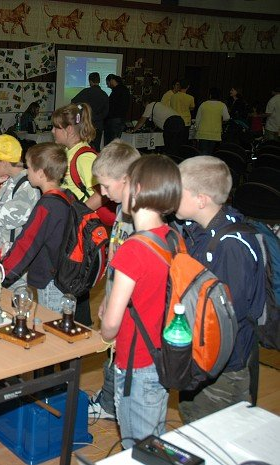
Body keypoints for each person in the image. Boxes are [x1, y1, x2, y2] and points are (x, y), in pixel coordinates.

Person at [100, 154, 182, 449]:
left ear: (135, 190)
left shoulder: (133, 249)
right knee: (153, 438)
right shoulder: (172, 237)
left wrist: (104, 332)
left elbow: (111, 323)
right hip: (162, 354)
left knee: (136, 446)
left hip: (136, 361)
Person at [175, 156, 265, 423]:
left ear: (201, 200)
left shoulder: (231, 247)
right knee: (193, 421)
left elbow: (228, 316)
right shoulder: (198, 232)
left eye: (179, 192)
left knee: (215, 433)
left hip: (226, 366)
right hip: (203, 357)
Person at [87, 140, 141, 421]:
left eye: (106, 187)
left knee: (122, 353)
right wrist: (108, 294)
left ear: (126, 179)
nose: (103, 194)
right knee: (112, 350)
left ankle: (114, 404)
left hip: (132, 303)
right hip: (116, 290)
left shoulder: (141, 215)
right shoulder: (122, 207)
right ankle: (109, 401)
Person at [51, 103, 106, 325]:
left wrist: (78, 215)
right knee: (71, 281)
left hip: (81, 232)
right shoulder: (69, 153)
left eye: (56, 127)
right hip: (71, 230)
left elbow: (103, 193)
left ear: (69, 130)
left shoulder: (84, 157)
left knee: (77, 281)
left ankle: (80, 328)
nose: (53, 131)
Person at [0, 143, 70, 309]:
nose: (26, 170)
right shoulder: (66, 196)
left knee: (52, 325)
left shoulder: (46, 206)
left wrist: (3, 274)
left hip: (52, 281)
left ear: (40, 173)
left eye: (29, 167)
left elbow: (27, 243)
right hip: (63, 275)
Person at [0, 135, 40, 269]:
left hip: (14, 262)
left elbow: (6, 220)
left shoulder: (27, 186)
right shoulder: (7, 180)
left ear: (3, 163)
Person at [71, 72, 109, 150]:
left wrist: (82, 111)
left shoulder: (86, 92)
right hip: (98, 125)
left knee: (85, 147)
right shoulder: (104, 94)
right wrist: (96, 117)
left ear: (90, 81)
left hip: (86, 124)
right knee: (96, 148)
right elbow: (106, 112)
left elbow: (73, 103)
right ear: (99, 81)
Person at [194, 88, 230, 154]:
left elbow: (197, 119)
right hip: (215, 134)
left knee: (202, 153)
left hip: (202, 134)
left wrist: (196, 130)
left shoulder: (203, 104)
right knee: (211, 153)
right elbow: (227, 118)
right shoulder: (222, 105)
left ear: (210, 95)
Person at [103, 74, 131, 146]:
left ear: (112, 80)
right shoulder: (125, 89)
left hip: (113, 120)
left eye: (108, 83)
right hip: (121, 119)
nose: (107, 86)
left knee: (110, 144)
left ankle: (109, 157)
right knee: (115, 143)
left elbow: (111, 106)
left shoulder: (116, 91)